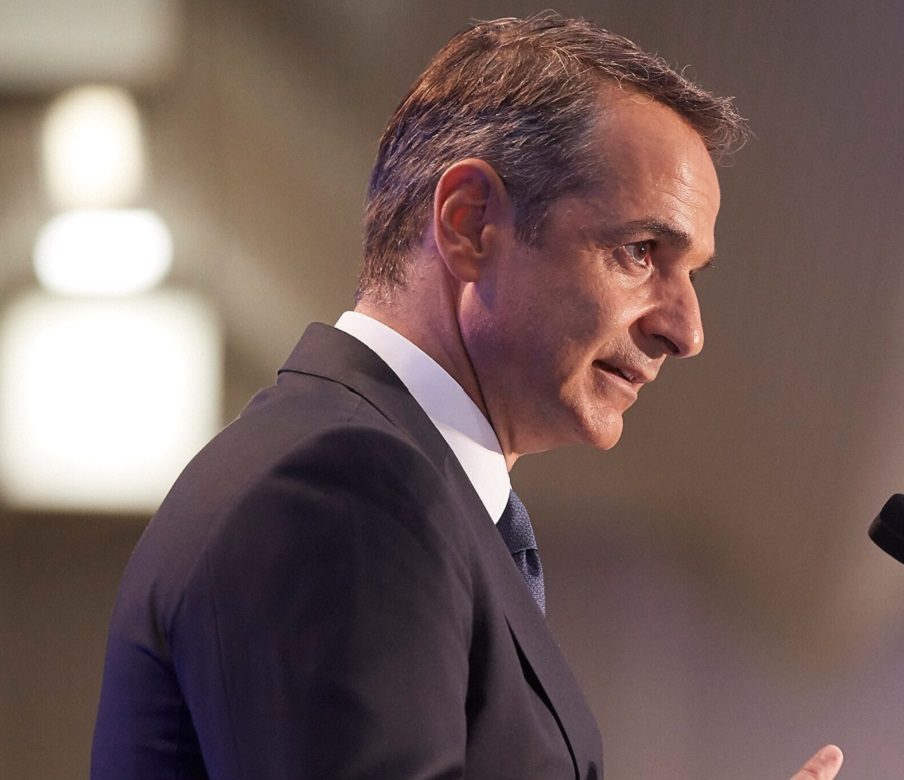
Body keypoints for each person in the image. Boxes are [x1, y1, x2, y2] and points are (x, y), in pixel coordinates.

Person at [89, 13, 842, 779]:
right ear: (470, 222)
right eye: (640, 252)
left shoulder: (377, 479)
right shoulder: (344, 490)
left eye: (692, 274)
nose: (687, 331)